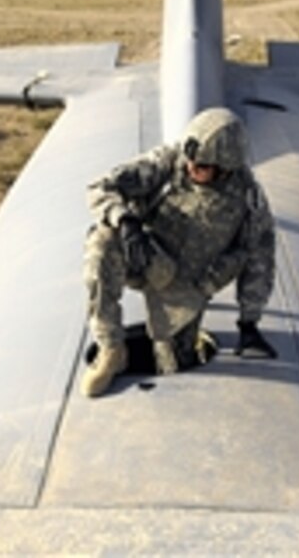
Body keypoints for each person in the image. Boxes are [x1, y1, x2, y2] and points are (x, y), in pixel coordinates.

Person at [82, 107, 277, 398]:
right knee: (101, 243)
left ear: (225, 168)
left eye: (201, 167)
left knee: (173, 364)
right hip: (147, 257)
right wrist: (125, 221)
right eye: (189, 161)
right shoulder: (168, 163)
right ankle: (111, 349)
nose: (190, 169)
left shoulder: (248, 201)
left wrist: (249, 322)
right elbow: (101, 187)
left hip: (187, 288)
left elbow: (258, 257)